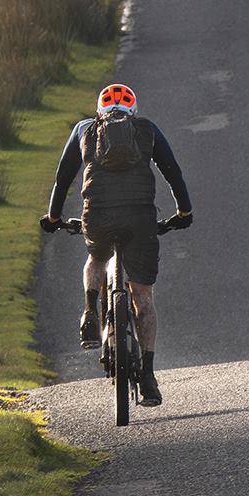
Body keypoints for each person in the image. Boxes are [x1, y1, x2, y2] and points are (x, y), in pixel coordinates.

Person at [40, 81, 194, 405]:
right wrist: (183, 212)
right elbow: (173, 172)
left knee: (96, 257)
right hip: (140, 218)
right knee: (143, 294)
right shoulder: (147, 130)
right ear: (132, 112)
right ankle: (149, 377)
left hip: (97, 216)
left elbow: (63, 177)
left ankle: (89, 313)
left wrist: (54, 217)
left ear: (100, 112)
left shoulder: (84, 128)